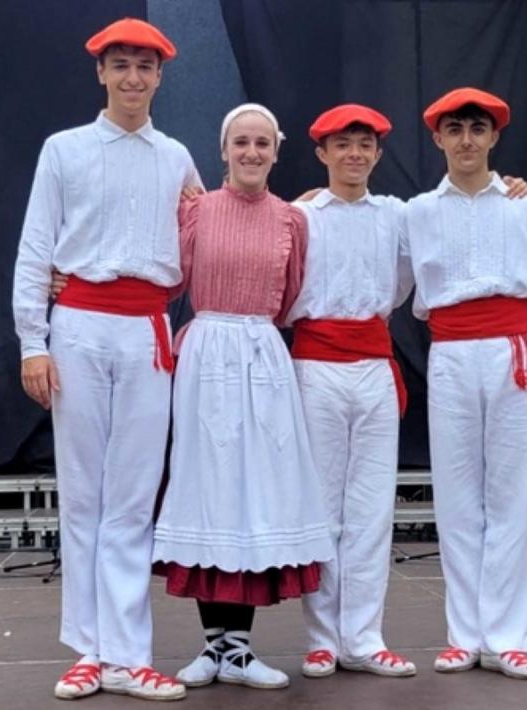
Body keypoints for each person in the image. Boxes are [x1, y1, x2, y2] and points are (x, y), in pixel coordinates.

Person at [289, 104, 527, 680]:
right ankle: (323, 637)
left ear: (378, 154)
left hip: (373, 363)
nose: (354, 154)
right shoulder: (299, 217)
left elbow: (412, 279)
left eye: (365, 145)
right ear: (321, 153)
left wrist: (513, 188)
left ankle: (365, 636)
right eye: (341, 144)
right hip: (315, 364)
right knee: (323, 507)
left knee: (373, 509)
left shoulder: (403, 216)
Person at [11, 17, 197, 702]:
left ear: (159, 76)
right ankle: (88, 651)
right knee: (84, 492)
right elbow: (37, 246)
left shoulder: (176, 157)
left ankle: (128, 654)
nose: (132, 78)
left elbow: (205, 233)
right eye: (120, 65)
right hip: (79, 327)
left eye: (145, 67)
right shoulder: (63, 150)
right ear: (100, 72)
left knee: (132, 495)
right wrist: (34, 339)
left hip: (148, 330)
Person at [404, 87, 527, 680]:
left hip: (515, 352)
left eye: (476, 129)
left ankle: (509, 637)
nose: (465, 140)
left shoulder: (524, 207)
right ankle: (464, 635)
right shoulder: (418, 213)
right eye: (454, 129)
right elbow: (384, 272)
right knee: (457, 497)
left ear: (493, 137)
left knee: (511, 497)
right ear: (438, 138)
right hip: (452, 354)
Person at [153, 104, 334, 691]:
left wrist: (253, 334)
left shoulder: (292, 220)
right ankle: (212, 646)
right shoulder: (196, 212)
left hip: (261, 350)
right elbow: (165, 274)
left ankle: (240, 648)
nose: (251, 152)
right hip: (207, 350)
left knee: (256, 489)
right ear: (223, 150)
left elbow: (289, 296)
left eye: (262, 143)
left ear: (276, 152)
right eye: (241, 143)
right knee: (209, 486)